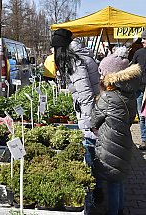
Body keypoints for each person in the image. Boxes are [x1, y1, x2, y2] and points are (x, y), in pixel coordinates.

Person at [51, 28, 101, 215]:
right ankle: (98, 192)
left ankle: (94, 197)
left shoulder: (75, 60)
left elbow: (86, 95)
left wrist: (88, 124)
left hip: (90, 114)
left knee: (90, 152)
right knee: (95, 154)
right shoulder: (80, 54)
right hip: (93, 110)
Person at [91, 48, 141, 215]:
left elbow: (95, 119)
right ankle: (119, 209)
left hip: (108, 144)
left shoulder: (107, 97)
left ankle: (112, 212)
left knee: (111, 180)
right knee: (118, 180)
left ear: (111, 76)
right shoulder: (130, 93)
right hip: (124, 140)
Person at [132, 29, 146, 150]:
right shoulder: (139, 52)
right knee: (142, 115)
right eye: (143, 39)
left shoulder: (138, 52)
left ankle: (144, 139)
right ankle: (144, 140)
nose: (143, 41)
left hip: (141, 87)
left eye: (145, 39)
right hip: (140, 88)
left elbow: (132, 69)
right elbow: (133, 68)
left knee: (142, 115)